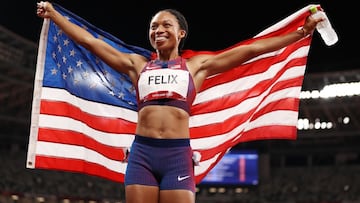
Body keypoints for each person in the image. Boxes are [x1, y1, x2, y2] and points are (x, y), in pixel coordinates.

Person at [36, 1, 321, 203]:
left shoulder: (197, 67)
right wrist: (55, 16)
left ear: (181, 33)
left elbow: (252, 50)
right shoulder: (138, 66)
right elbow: (92, 43)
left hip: (177, 158)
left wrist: (301, 33)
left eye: (165, 25)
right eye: (153, 26)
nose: (157, 29)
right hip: (142, 156)